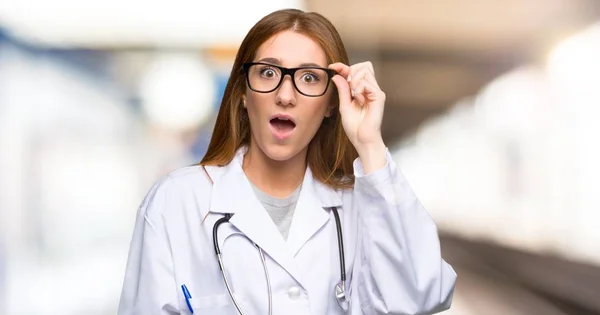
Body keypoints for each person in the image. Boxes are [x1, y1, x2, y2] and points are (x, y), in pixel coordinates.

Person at [117, 8, 456, 315]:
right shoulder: (177, 202)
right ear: (242, 94)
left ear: (330, 105)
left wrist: (370, 144)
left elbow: (422, 293)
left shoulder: (361, 206)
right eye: (268, 73)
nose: (285, 95)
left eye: (309, 78)